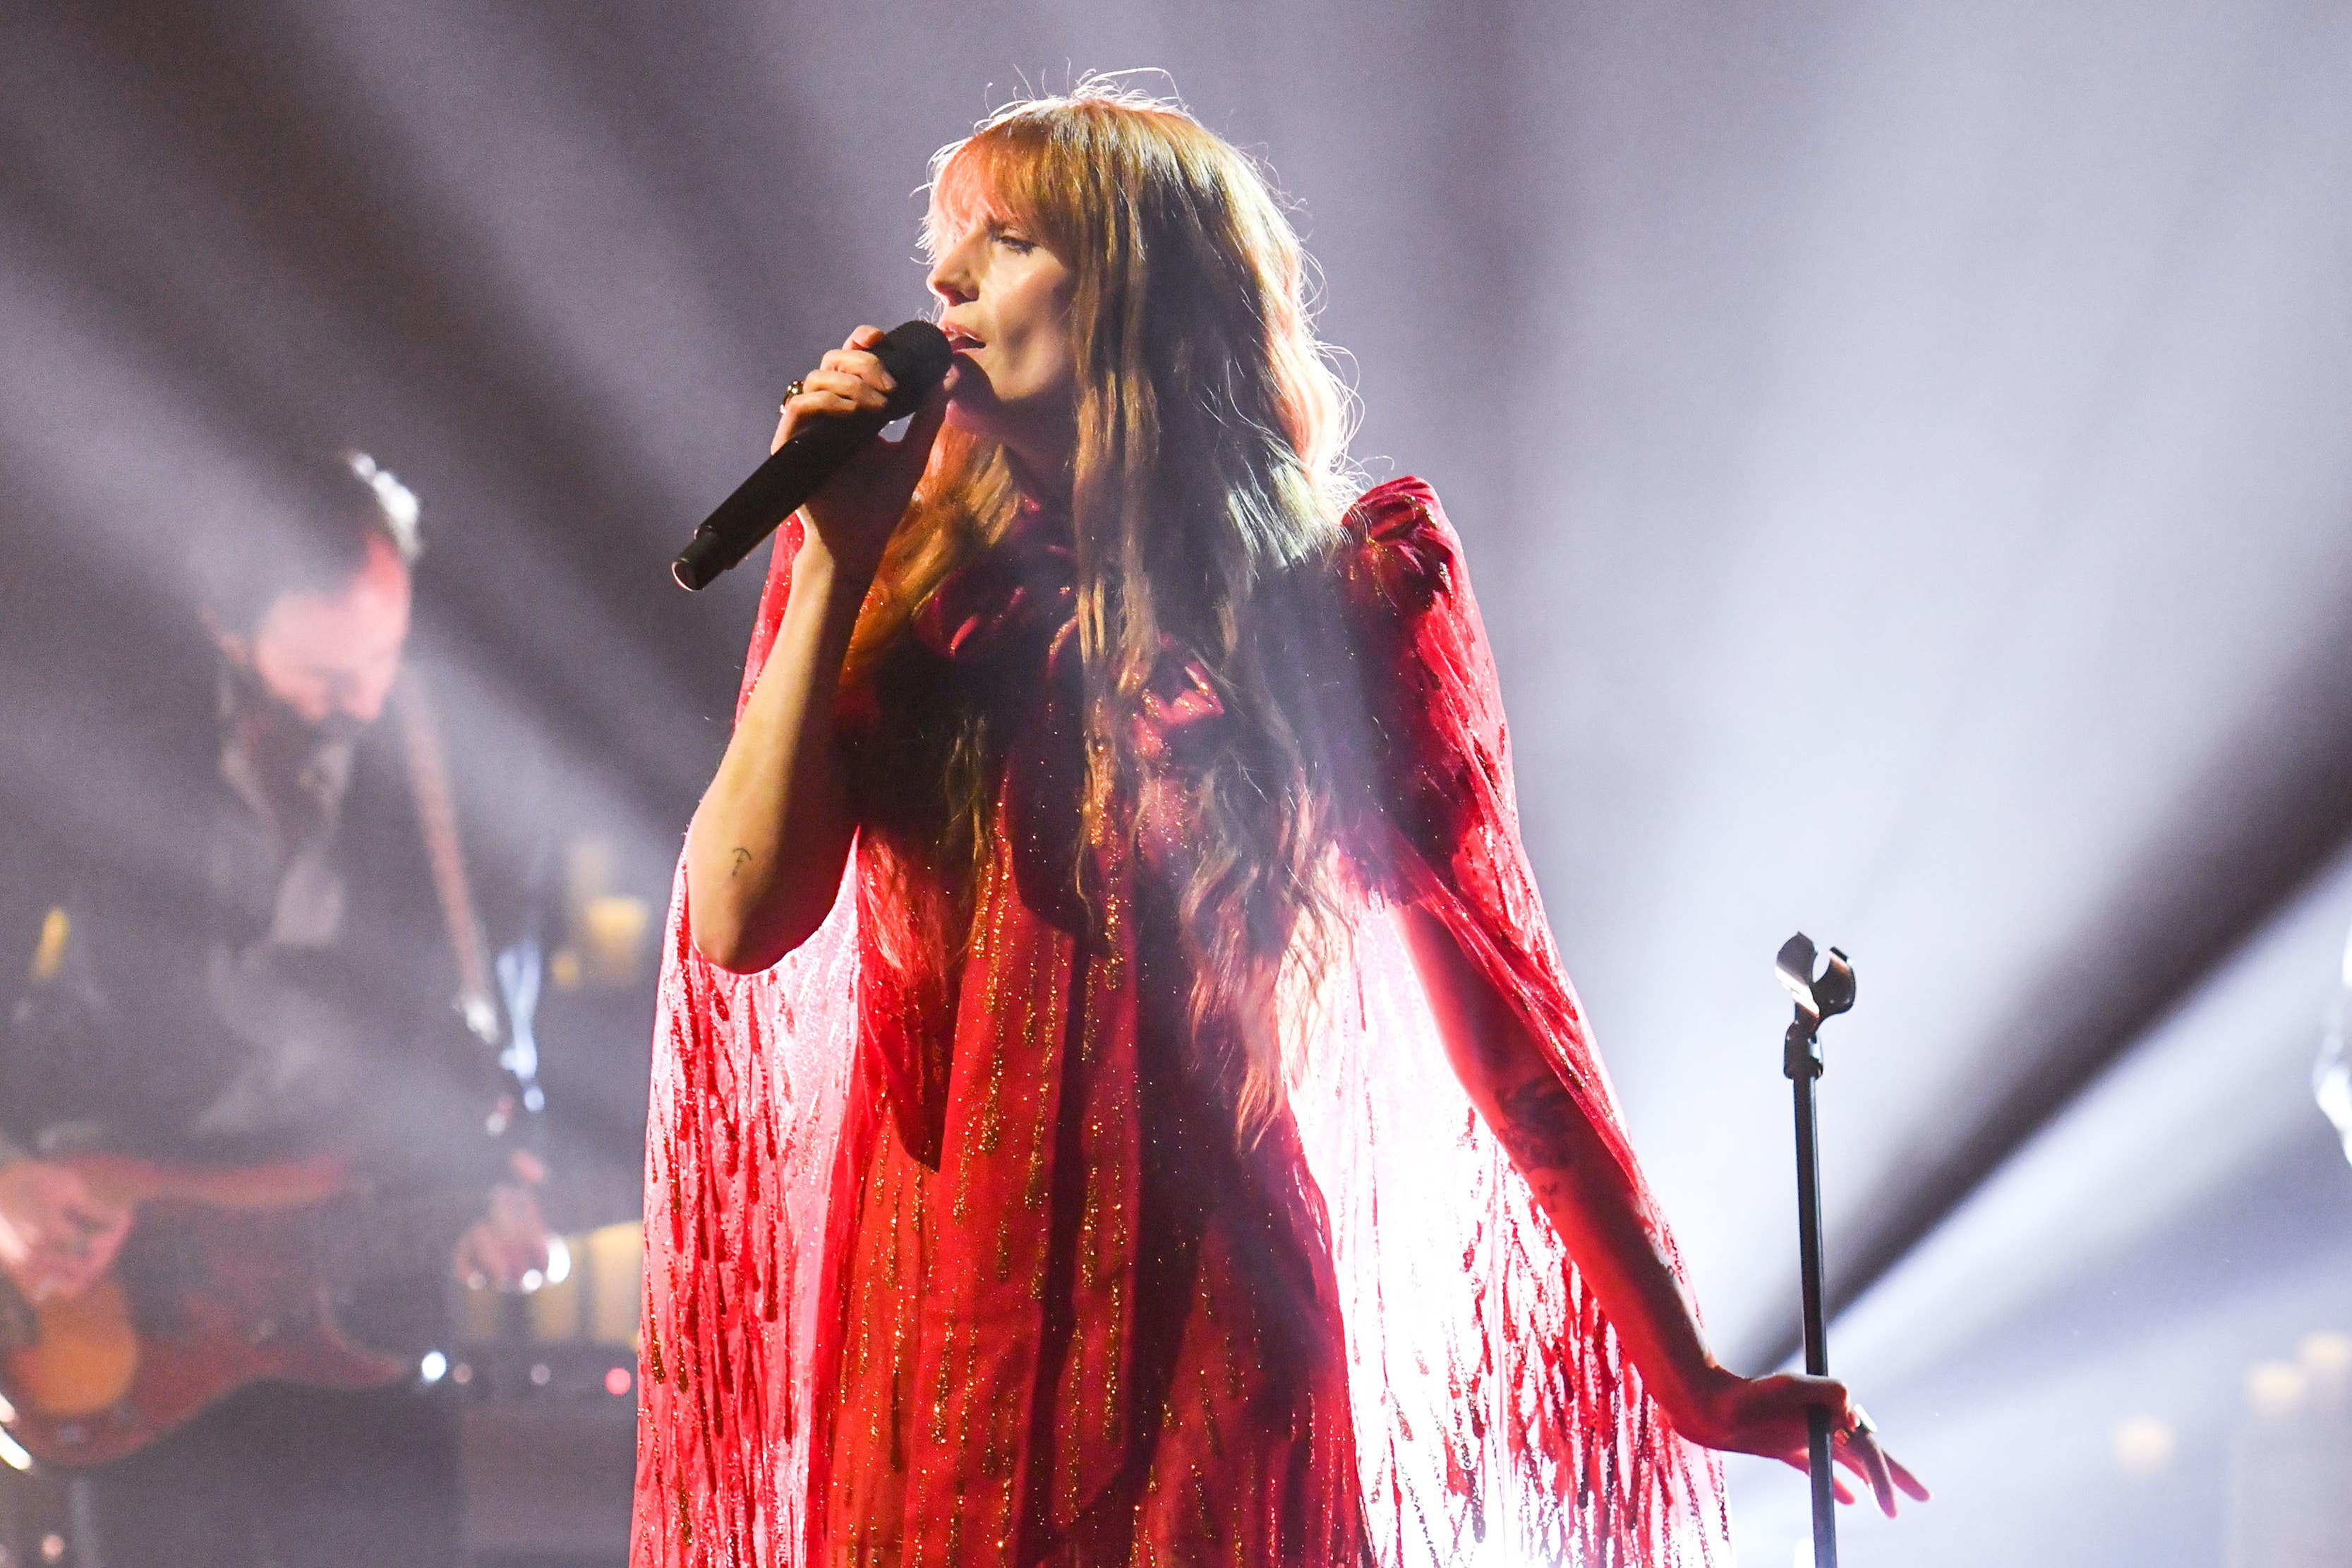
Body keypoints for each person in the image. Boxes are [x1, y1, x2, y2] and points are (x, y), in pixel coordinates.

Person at [636, 85, 1928, 1567]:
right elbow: (740, 920)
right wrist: (827, 567)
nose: (943, 284)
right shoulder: (891, 580)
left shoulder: (1331, 608)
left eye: (1004, 241)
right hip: (931, 1365)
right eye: (944, 248)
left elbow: (1504, 1027)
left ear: (1137, 290)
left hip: (1211, 1366)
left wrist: (1688, 1376)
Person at [0, 455, 552, 1568]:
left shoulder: (452, 767)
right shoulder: (93, 735)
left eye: (382, 659)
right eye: (322, 667)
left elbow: (493, 1029)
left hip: (367, 1275)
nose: (359, 700)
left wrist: (503, 1175)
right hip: (134, 1285)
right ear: (223, 624)